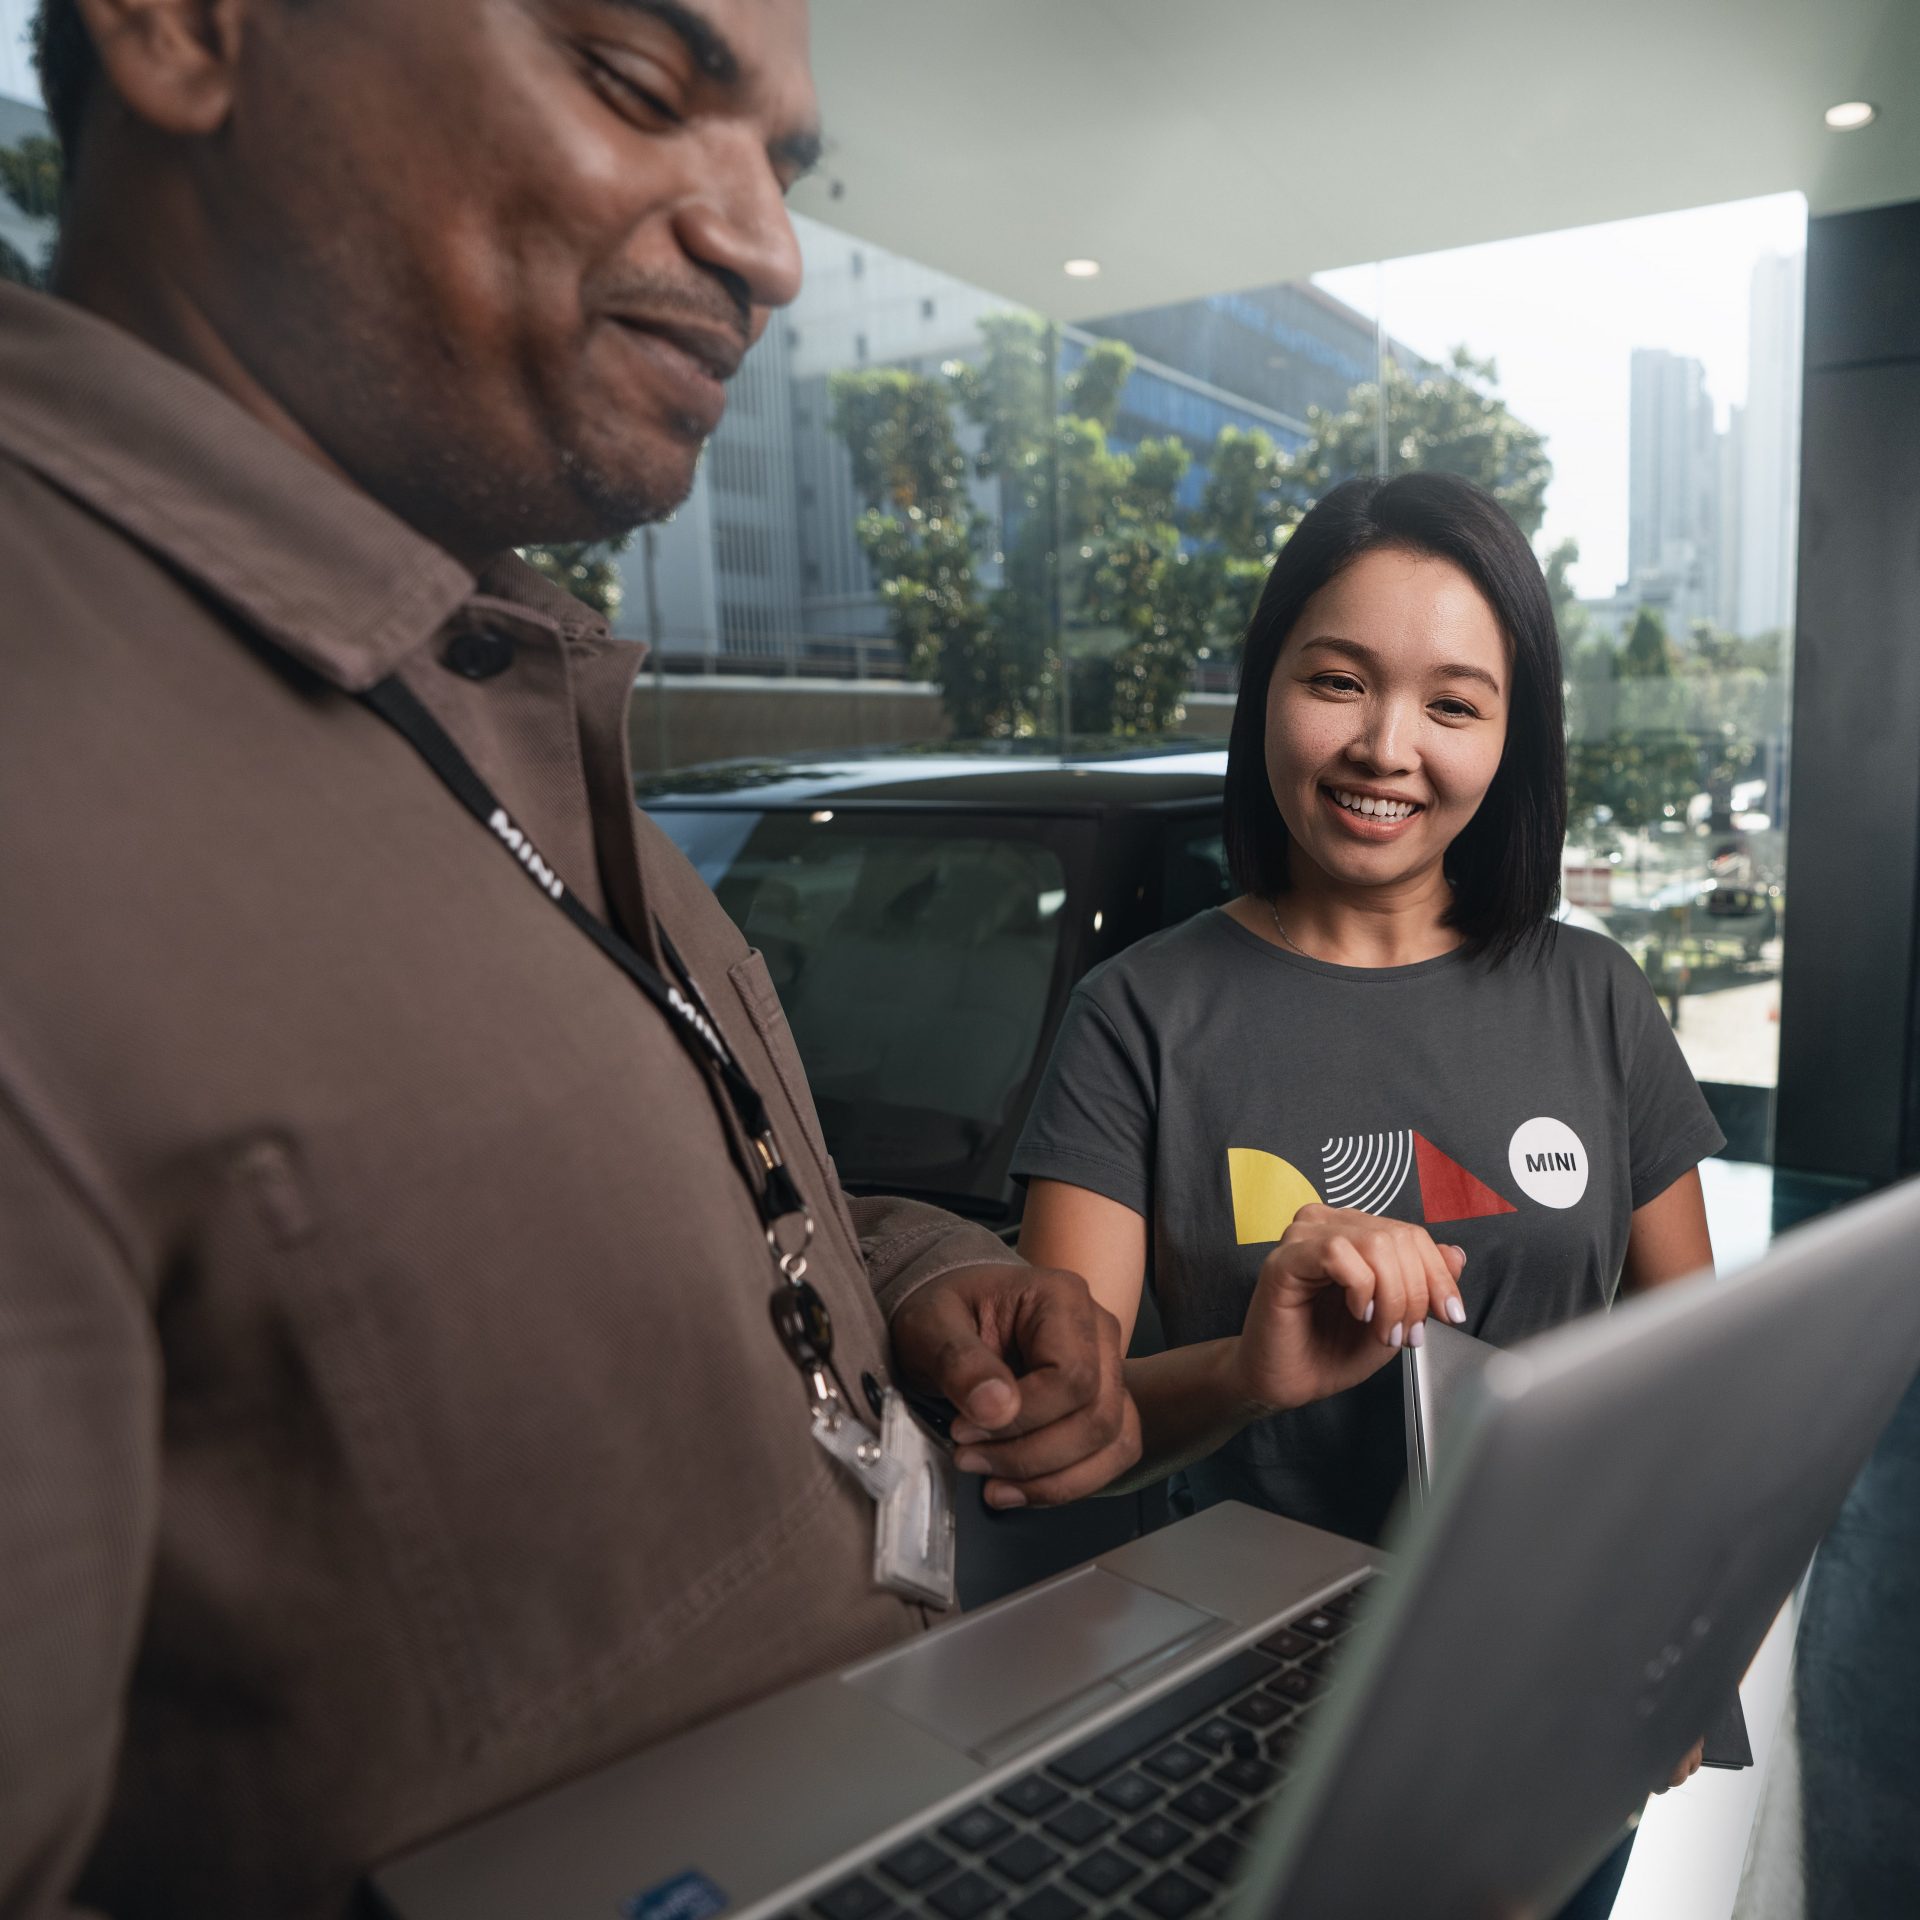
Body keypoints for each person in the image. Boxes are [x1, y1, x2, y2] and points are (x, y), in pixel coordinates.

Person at [0, 3, 1163, 1913]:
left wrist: (927, 1280)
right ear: (182, 29)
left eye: (784, 168)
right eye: (637, 82)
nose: (771, 251)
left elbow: (650, 1202)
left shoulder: (490, 682)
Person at [1005, 470, 1724, 1543]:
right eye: (1339, 682)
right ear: (1268, 690)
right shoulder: (1136, 1017)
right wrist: (1248, 1373)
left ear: (1508, 738)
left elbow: (1699, 1379)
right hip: (1267, 1648)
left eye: (1452, 705)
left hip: (1553, 1616)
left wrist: (1671, 1647)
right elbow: (1058, 1435)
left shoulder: (1597, 995)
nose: (1387, 747)